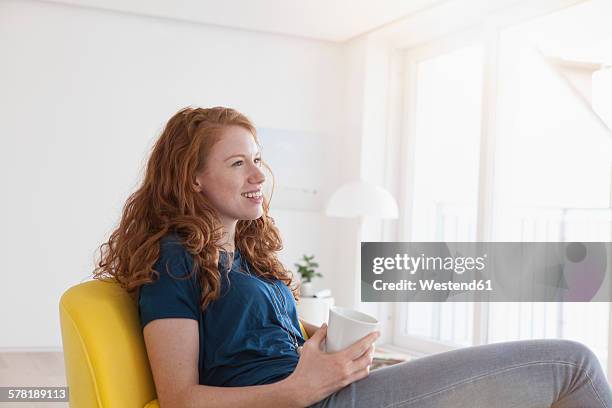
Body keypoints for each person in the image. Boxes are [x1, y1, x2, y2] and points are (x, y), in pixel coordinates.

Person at [93, 106, 612, 408]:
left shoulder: (244, 255)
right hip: (313, 404)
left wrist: (331, 350)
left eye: (257, 159)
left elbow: (268, 344)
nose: (257, 176)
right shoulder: (175, 259)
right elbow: (181, 398)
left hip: (326, 392)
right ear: (193, 178)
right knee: (576, 366)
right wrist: (300, 389)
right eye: (237, 162)